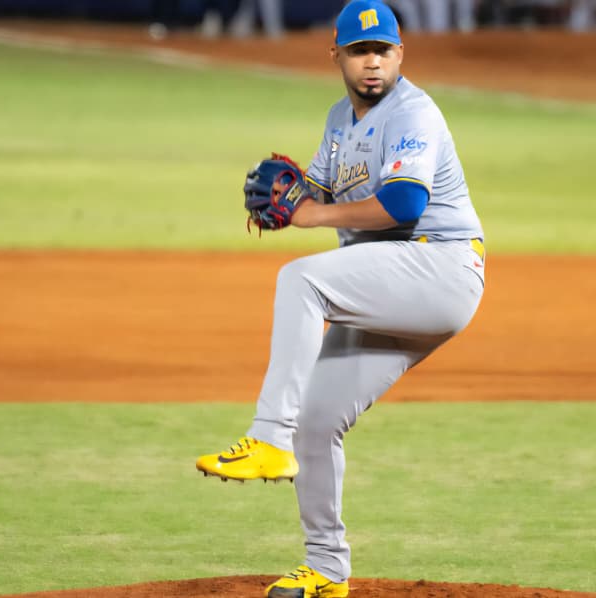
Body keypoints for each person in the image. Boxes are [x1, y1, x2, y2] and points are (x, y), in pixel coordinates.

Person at [194, 1, 486, 596]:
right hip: (394, 282)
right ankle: (327, 568)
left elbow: (402, 205)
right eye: (359, 52)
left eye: (382, 51)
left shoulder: (413, 113)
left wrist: (308, 215)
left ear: (400, 55)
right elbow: (320, 189)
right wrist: (289, 195)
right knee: (319, 419)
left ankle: (268, 437)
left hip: (441, 266)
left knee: (301, 279)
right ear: (338, 58)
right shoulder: (338, 120)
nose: (372, 63)